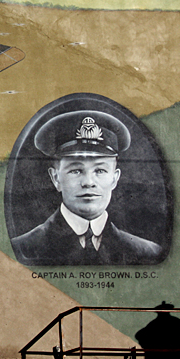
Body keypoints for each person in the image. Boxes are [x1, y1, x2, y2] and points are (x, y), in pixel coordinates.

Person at [11, 110, 162, 265]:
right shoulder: (23, 249)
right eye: (76, 170)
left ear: (115, 178)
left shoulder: (147, 253)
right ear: (55, 178)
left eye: (100, 170)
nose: (88, 182)